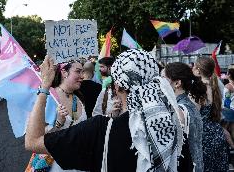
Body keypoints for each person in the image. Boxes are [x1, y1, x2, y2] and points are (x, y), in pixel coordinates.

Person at [25, 49, 185, 172]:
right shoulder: (174, 124)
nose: (81, 76)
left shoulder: (100, 129)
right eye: (77, 71)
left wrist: (44, 85)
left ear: (117, 85)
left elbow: (32, 142)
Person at [25, 61, 87, 172]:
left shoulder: (78, 98)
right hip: (56, 165)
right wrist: (58, 123)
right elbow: (34, 140)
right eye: (78, 71)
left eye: (83, 72)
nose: (82, 76)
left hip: (79, 162)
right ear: (64, 72)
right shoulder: (48, 97)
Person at [162, 62, 206, 172]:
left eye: (163, 78)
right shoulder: (189, 105)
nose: (159, 83)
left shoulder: (179, 110)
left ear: (177, 83)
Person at [192, 57, 229, 171]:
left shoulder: (199, 88)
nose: (192, 68)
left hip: (204, 136)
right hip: (216, 133)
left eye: (194, 66)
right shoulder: (216, 85)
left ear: (198, 70)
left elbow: (194, 115)